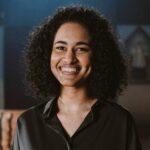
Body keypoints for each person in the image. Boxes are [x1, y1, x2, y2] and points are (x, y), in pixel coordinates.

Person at [11, 6, 142, 150]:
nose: (69, 58)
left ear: (98, 55)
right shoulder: (27, 123)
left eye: (81, 49)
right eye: (61, 48)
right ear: (47, 54)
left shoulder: (120, 122)